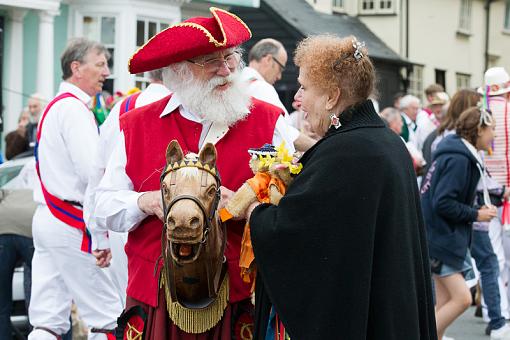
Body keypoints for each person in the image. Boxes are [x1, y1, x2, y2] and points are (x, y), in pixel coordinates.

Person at [94, 8, 298, 339]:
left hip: (238, 295)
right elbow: (102, 206)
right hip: (156, 297)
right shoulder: (136, 125)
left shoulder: (269, 120)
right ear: (178, 71)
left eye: (230, 57)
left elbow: (296, 200)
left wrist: (246, 206)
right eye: (210, 61)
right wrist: (145, 201)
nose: (226, 70)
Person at [242, 34, 437, 339]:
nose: (297, 100)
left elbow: (292, 234)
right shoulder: (385, 142)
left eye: (305, 88)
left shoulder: (346, 153)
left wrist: (256, 211)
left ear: (332, 97)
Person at [28, 38, 122, 339]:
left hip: (47, 216)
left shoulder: (55, 108)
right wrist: (101, 233)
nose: (106, 71)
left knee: (47, 318)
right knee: (106, 314)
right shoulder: (73, 110)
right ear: (76, 68)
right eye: (100, 64)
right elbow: (92, 173)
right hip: (70, 219)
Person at [86, 68, 170, 307]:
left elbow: (97, 172)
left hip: (117, 216)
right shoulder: (182, 108)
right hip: (156, 225)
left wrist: (99, 236)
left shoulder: (121, 108)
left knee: (129, 308)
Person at [421, 107, 501, 340]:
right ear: (479, 130)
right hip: (439, 237)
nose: (494, 135)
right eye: (492, 129)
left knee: (446, 301)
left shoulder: (456, 153)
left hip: (436, 235)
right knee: (462, 299)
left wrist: (476, 211)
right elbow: (443, 202)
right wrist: (476, 214)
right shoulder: (459, 158)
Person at [241, 38, 315, 152]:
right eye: (280, 68)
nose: (279, 76)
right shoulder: (260, 88)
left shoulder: (239, 85)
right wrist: (319, 147)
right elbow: (286, 133)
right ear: (268, 59)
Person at [380, 106, 425, 171]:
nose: (402, 124)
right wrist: (415, 162)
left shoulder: (392, 138)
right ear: (393, 122)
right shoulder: (395, 140)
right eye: (401, 121)